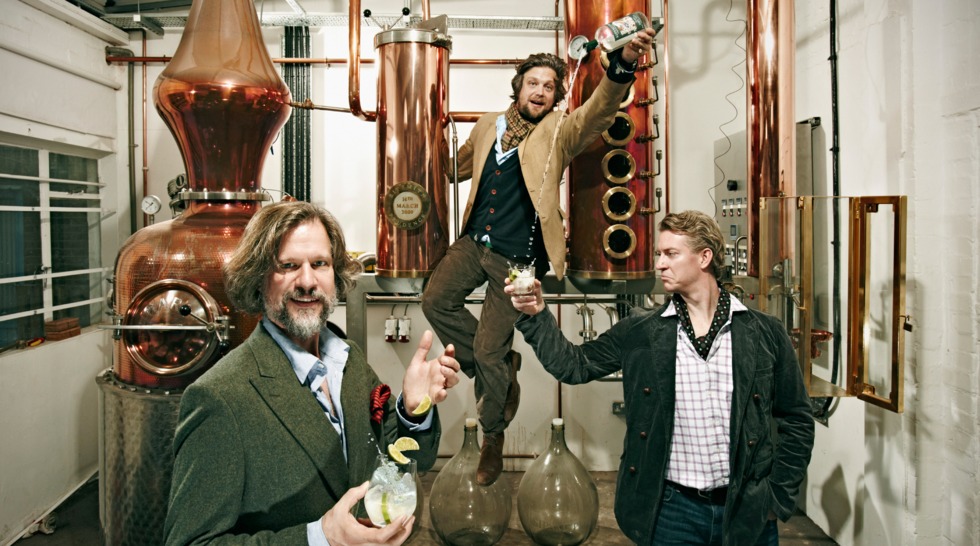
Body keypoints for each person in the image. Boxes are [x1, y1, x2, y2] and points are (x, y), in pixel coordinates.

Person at [421, 26, 659, 486]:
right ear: (518, 86)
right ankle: (497, 367)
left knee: (488, 348)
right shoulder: (489, 124)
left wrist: (624, 64)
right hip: (474, 243)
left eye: (549, 87)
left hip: (517, 260)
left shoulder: (559, 131)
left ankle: (493, 436)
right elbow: (453, 168)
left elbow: (599, 109)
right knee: (435, 301)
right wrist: (416, 137)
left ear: (555, 97)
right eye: (533, 82)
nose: (540, 91)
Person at [506, 210, 815, 545]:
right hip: (671, 512)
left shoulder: (765, 332)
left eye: (671, 254)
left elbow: (797, 418)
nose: (660, 264)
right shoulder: (641, 331)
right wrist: (536, 315)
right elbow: (573, 365)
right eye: (658, 254)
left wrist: (776, 499)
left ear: (704, 257)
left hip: (746, 509)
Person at [164, 201, 461, 546]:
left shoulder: (348, 360)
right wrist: (321, 537)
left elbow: (402, 460)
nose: (307, 281)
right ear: (258, 279)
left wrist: (413, 410)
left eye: (319, 264)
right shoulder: (219, 398)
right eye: (288, 266)